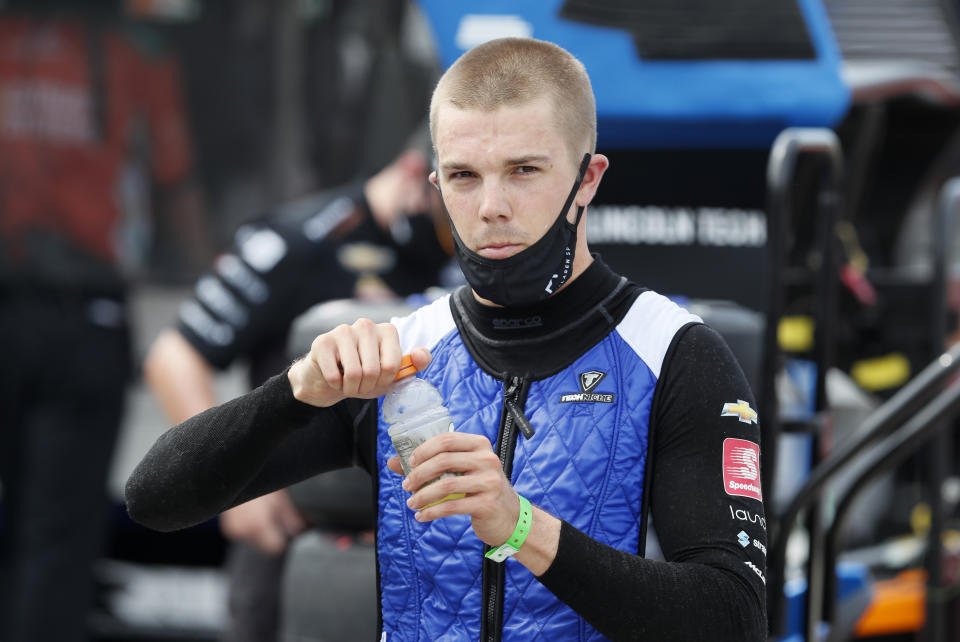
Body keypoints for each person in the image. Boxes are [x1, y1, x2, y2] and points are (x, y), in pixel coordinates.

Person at [127, 37, 767, 640]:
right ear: (436, 186)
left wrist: (520, 527)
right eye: (464, 176)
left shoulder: (674, 352)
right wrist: (294, 393)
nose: (491, 205)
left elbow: (734, 617)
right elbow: (154, 500)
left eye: (523, 170)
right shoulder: (399, 353)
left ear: (589, 179)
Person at [144, 145, 452, 641]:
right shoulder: (300, 240)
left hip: (418, 535)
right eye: (451, 188)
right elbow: (174, 356)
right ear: (417, 172)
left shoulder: (464, 256)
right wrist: (236, 496)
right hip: (298, 528)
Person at [0, 3, 205, 641]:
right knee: (58, 530)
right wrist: (215, 282)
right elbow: (176, 178)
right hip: (86, 312)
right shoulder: (136, 53)